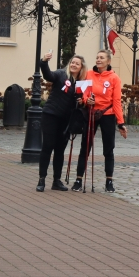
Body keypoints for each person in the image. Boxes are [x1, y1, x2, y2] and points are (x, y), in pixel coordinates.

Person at [72, 50, 127, 193]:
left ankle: (109, 180)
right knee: (86, 145)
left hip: (107, 114)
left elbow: (116, 102)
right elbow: (83, 93)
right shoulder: (89, 74)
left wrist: (120, 123)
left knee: (108, 149)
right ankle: (78, 179)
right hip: (91, 112)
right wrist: (86, 100)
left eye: (102, 58)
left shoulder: (114, 78)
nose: (98, 60)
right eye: (97, 57)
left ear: (108, 61)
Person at [36, 51, 86, 192]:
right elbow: (48, 76)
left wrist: (82, 101)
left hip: (66, 120)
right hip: (51, 115)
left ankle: (56, 180)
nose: (74, 65)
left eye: (77, 63)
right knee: (48, 146)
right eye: (72, 62)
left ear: (81, 67)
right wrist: (44, 62)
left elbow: (82, 103)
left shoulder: (81, 83)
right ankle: (41, 179)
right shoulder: (61, 74)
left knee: (60, 150)